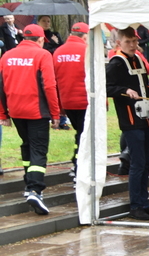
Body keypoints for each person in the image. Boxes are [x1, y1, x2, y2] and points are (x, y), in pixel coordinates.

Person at [106, 27, 149, 220]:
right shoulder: (117, 63)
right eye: (129, 42)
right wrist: (125, 90)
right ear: (119, 43)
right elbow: (107, 87)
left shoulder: (137, 60)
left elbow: (142, 86)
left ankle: (144, 202)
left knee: (146, 163)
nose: (134, 45)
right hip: (130, 120)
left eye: (135, 41)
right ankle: (135, 205)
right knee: (137, 163)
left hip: (145, 118)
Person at [0, 24, 60, 214]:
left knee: (27, 145)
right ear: (41, 39)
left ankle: (29, 185)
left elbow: (0, 86)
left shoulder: (7, 56)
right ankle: (35, 189)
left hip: (16, 110)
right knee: (39, 150)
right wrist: (55, 113)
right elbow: (50, 86)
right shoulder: (43, 55)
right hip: (37, 111)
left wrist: (3, 113)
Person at [52, 23, 90, 174]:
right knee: (85, 135)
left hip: (67, 101)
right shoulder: (87, 50)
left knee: (80, 132)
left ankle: (77, 163)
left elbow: (54, 80)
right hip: (85, 101)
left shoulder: (58, 52)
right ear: (85, 36)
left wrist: (59, 106)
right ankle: (79, 165)